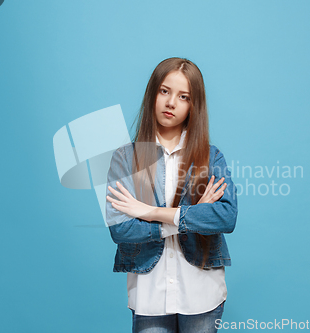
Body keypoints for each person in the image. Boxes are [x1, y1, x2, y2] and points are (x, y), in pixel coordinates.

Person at [105, 57, 238, 333]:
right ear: (152, 93)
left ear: (193, 105)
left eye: (184, 96)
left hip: (202, 292)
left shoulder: (211, 156)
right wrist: (190, 216)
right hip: (149, 296)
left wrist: (149, 212)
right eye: (164, 91)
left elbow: (226, 216)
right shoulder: (126, 158)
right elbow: (121, 229)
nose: (171, 103)